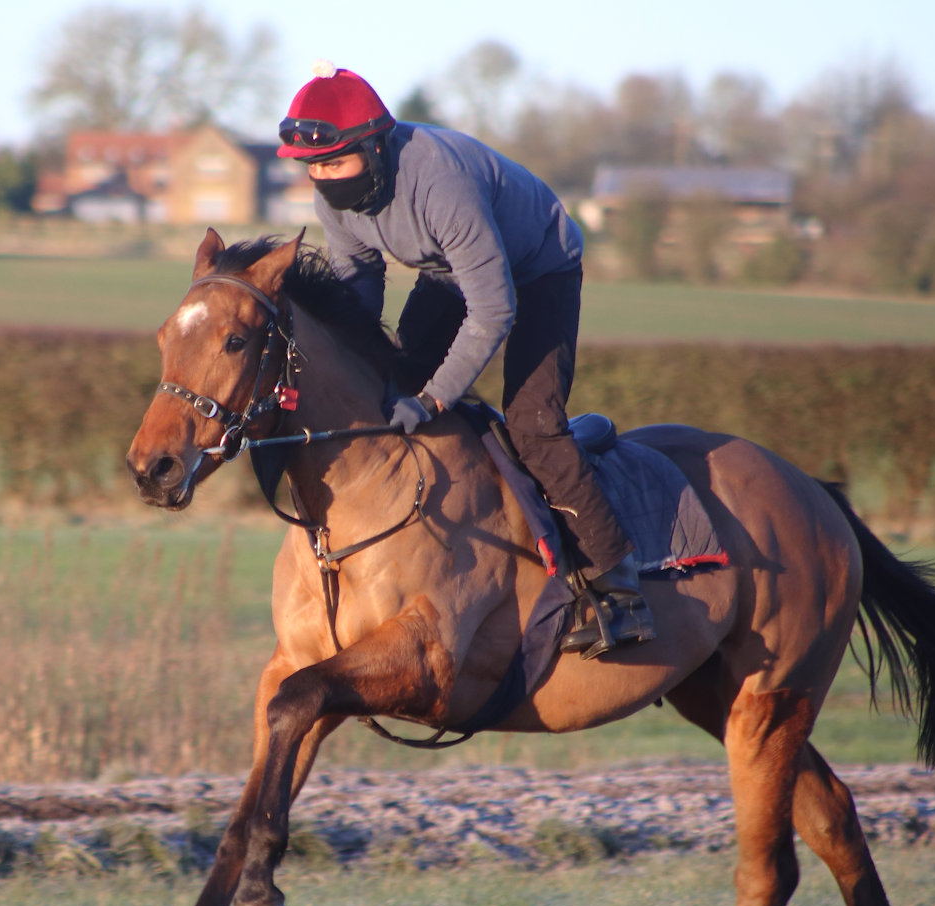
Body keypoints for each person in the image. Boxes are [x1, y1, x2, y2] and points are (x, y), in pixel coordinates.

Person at [276, 63, 654, 659]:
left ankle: (618, 586)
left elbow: (493, 310)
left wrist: (432, 399)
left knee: (532, 425)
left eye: (335, 162)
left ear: (374, 149)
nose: (322, 177)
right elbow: (358, 292)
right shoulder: (337, 203)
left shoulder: (438, 183)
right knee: (390, 380)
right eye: (313, 166)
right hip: (451, 275)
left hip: (539, 269)